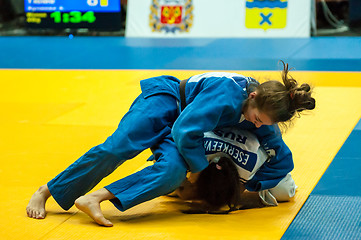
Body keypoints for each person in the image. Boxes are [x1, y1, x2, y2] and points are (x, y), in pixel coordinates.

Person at [26, 61, 315, 226]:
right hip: (168, 101)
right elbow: (185, 130)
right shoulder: (228, 95)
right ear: (252, 97)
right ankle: (47, 190)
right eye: (256, 119)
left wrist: (247, 187)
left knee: (171, 173)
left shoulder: (263, 118)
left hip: (183, 127)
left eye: (263, 124)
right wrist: (200, 171)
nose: (256, 126)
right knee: (119, 147)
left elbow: (283, 161)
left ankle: (95, 198)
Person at [174, 127, 297, 213]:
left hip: (257, 132)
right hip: (223, 123)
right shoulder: (195, 156)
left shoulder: (252, 165)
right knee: (172, 184)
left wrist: (247, 194)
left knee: (285, 190)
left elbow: (278, 162)